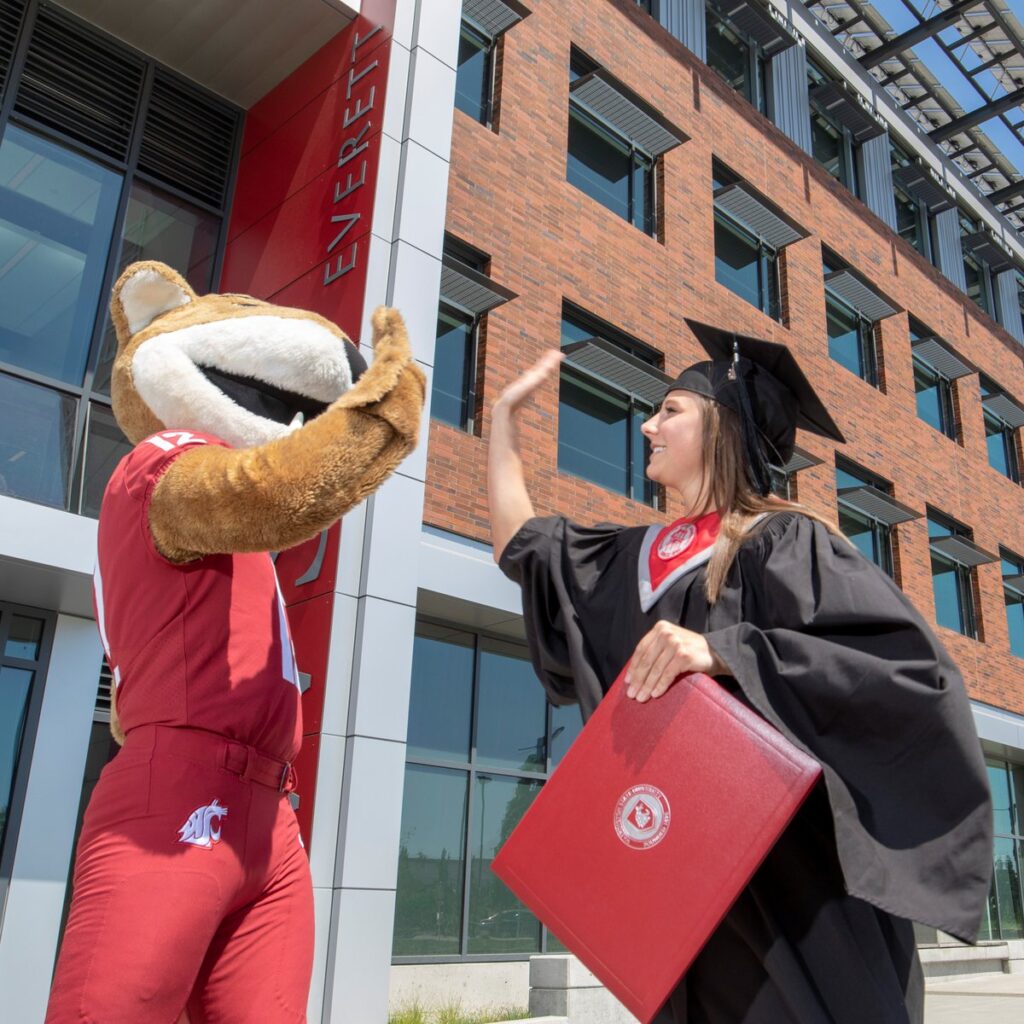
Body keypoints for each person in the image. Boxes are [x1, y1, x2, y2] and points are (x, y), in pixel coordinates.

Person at [487, 320, 993, 1024]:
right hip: (685, 900)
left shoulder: (785, 542)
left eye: (669, 410)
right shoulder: (627, 561)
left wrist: (733, 651)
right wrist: (503, 418)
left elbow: (908, 675)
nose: (645, 427)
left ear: (720, 428)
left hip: (798, 902)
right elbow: (527, 547)